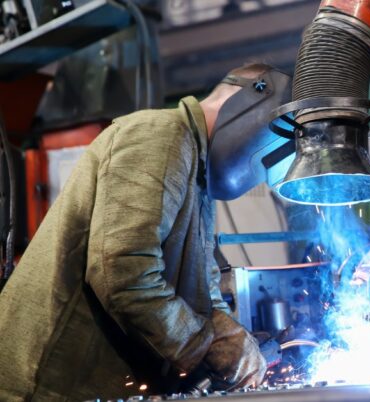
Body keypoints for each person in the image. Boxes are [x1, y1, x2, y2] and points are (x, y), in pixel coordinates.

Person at [0, 62, 292, 401]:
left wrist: (230, 337)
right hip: (43, 386)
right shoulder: (160, 136)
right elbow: (123, 271)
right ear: (251, 102)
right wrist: (207, 344)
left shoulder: (197, 173)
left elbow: (200, 289)